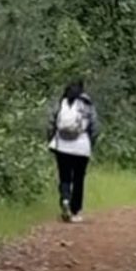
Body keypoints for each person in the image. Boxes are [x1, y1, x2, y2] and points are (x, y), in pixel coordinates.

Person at [47, 80, 99, 223]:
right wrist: (91, 144)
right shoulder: (87, 105)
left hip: (62, 146)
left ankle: (65, 199)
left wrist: (51, 139)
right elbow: (94, 127)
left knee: (64, 176)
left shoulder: (60, 103)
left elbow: (51, 123)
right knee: (78, 179)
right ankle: (75, 210)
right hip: (82, 147)